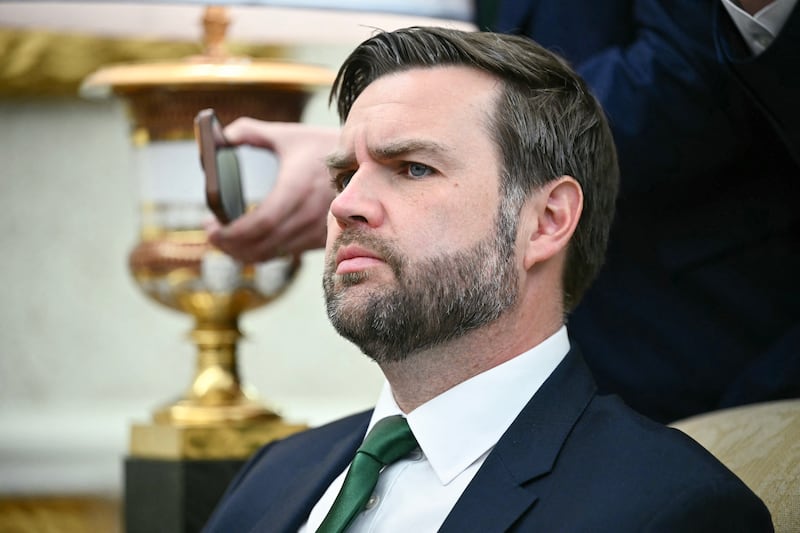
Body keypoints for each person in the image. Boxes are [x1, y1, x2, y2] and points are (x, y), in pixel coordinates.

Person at [202, 27, 772, 532]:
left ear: (546, 221)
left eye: (413, 168)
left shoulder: (672, 509)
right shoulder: (271, 476)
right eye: (345, 173)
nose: (346, 205)